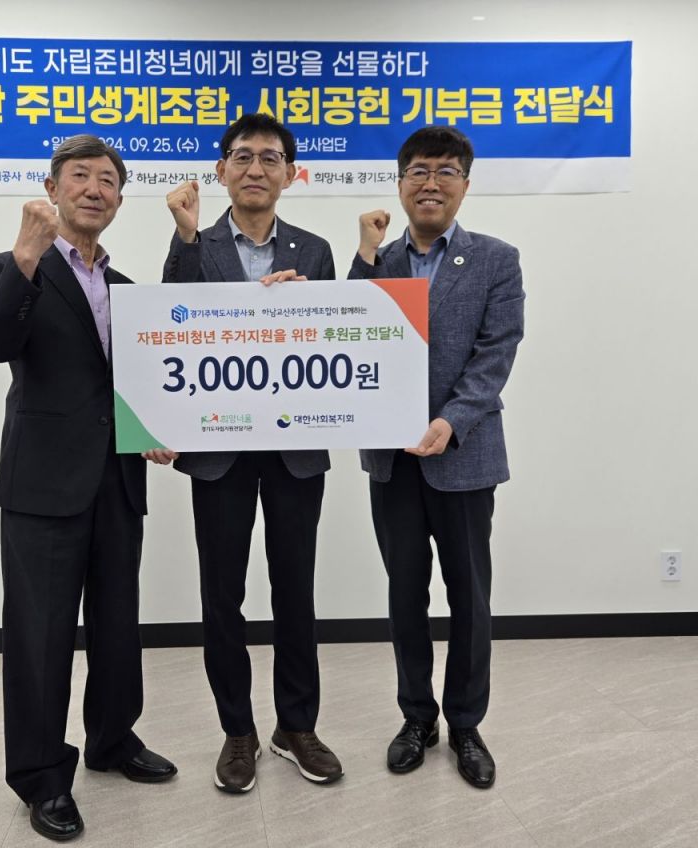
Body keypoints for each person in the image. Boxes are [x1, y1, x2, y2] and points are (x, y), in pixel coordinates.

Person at [0, 135, 176, 843]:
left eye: (108, 180)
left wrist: (153, 427)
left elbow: (134, 384)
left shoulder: (128, 290)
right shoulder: (11, 265)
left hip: (117, 479)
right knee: (40, 635)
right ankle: (40, 777)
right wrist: (26, 256)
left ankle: (113, 740)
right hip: (41, 483)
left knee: (118, 624)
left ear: (120, 198)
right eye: (81, 176)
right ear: (52, 188)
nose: (95, 188)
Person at [151, 113, 342, 794]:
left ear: (290, 173)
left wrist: (313, 308)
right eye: (242, 156)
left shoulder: (315, 251)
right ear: (221, 170)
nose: (256, 168)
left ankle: (297, 727)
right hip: (219, 450)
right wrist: (183, 236)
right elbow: (168, 325)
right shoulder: (194, 242)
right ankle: (238, 730)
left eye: (270, 158)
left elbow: (338, 341)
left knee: (296, 592)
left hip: (295, 449)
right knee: (221, 597)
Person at [348, 126, 525, 789]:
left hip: (465, 455)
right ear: (400, 184)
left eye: (446, 171)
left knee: (470, 596)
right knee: (404, 594)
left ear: (465, 185)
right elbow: (348, 329)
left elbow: (497, 349)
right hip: (392, 460)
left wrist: (451, 420)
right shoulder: (379, 256)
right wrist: (364, 255)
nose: (431, 183)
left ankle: (466, 724)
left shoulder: (496, 259)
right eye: (418, 171)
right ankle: (416, 718)